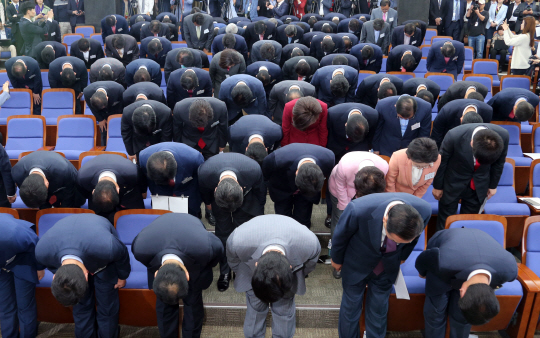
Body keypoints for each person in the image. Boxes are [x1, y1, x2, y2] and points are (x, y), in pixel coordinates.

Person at [331, 192, 431, 338]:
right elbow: (340, 236)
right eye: (395, 240)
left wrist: (403, 256)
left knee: (379, 307)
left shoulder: (424, 210)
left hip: (388, 266)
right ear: (385, 220)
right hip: (357, 262)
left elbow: (414, 240)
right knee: (351, 307)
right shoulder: (358, 209)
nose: (397, 244)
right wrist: (337, 260)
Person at [35, 214, 130, 338]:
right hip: (72, 237)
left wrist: (122, 276)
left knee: (107, 307)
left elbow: (122, 254)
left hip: (104, 262)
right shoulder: (42, 251)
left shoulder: (108, 246)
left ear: (86, 276)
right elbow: (44, 265)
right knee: (81, 307)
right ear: (54, 277)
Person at [227, 214, 321, 338]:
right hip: (253, 273)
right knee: (255, 309)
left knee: (284, 312)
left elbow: (309, 265)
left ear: (291, 267)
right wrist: (253, 275)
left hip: (286, 273)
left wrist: (290, 277)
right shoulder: (237, 241)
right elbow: (234, 262)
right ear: (256, 264)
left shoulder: (309, 244)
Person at [131, 213, 222, 338]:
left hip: (191, 226)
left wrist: (202, 267)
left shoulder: (206, 247)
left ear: (188, 275)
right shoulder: (140, 248)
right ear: (156, 273)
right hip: (160, 227)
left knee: (193, 305)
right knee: (165, 302)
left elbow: (217, 255)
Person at [416, 228, 518, 338]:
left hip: (479, 246)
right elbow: (423, 259)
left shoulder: (509, 270)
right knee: (435, 313)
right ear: (462, 291)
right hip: (444, 262)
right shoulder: (442, 261)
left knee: (464, 315)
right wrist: (423, 273)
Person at [198, 153, 267, 292]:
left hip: (246, 202)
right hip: (220, 202)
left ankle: (242, 269)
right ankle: (225, 271)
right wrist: (209, 205)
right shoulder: (204, 173)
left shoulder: (253, 170)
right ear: (215, 189)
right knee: (223, 234)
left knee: (245, 235)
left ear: (242, 188)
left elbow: (261, 193)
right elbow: (205, 192)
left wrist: (259, 215)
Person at [433, 123, 509, 231]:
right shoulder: (454, 135)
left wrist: (493, 186)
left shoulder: (503, 135)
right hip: (453, 182)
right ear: (471, 143)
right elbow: (442, 162)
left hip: (479, 185)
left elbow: (499, 163)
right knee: (445, 221)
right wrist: (438, 186)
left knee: (468, 223)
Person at [263, 143, 335, 228]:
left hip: (308, 191)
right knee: (282, 220)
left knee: (303, 220)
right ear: (296, 172)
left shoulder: (329, 159)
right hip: (282, 187)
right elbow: (266, 175)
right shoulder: (276, 159)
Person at [0, 215, 43, 338]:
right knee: (5, 304)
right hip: (4, 258)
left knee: (25, 305)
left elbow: (35, 244)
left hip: (23, 257)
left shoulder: (15, 236)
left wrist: (39, 267)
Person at [328, 151, 389, 238]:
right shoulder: (345, 165)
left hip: (367, 192)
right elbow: (340, 187)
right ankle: (336, 242)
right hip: (339, 189)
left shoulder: (384, 167)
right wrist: (345, 208)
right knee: (340, 217)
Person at [139, 142, 204, 218]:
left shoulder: (194, 158)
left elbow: (201, 180)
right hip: (160, 193)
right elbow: (144, 177)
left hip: (187, 191)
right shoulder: (143, 157)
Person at [77, 153, 145, 222]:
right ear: (93, 191)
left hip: (128, 193)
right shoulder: (82, 178)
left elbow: (142, 189)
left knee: (134, 219)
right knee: (98, 219)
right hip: (99, 200)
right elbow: (84, 194)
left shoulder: (133, 174)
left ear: (118, 190)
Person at [12, 151, 85, 209]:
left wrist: (64, 212)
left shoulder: (63, 170)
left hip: (69, 184)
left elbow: (69, 193)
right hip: (46, 182)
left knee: (74, 203)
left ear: (47, 183)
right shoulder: (17, 173)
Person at [83, 81, 125, 145]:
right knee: (103, 129)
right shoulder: (87, 92)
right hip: (101, 113)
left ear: (107, 98)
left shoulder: (119, 89)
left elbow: (123, 105)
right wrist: (100, 119)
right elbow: (92, 108)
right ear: (91, 98)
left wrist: (115, 118)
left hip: (116, 111)